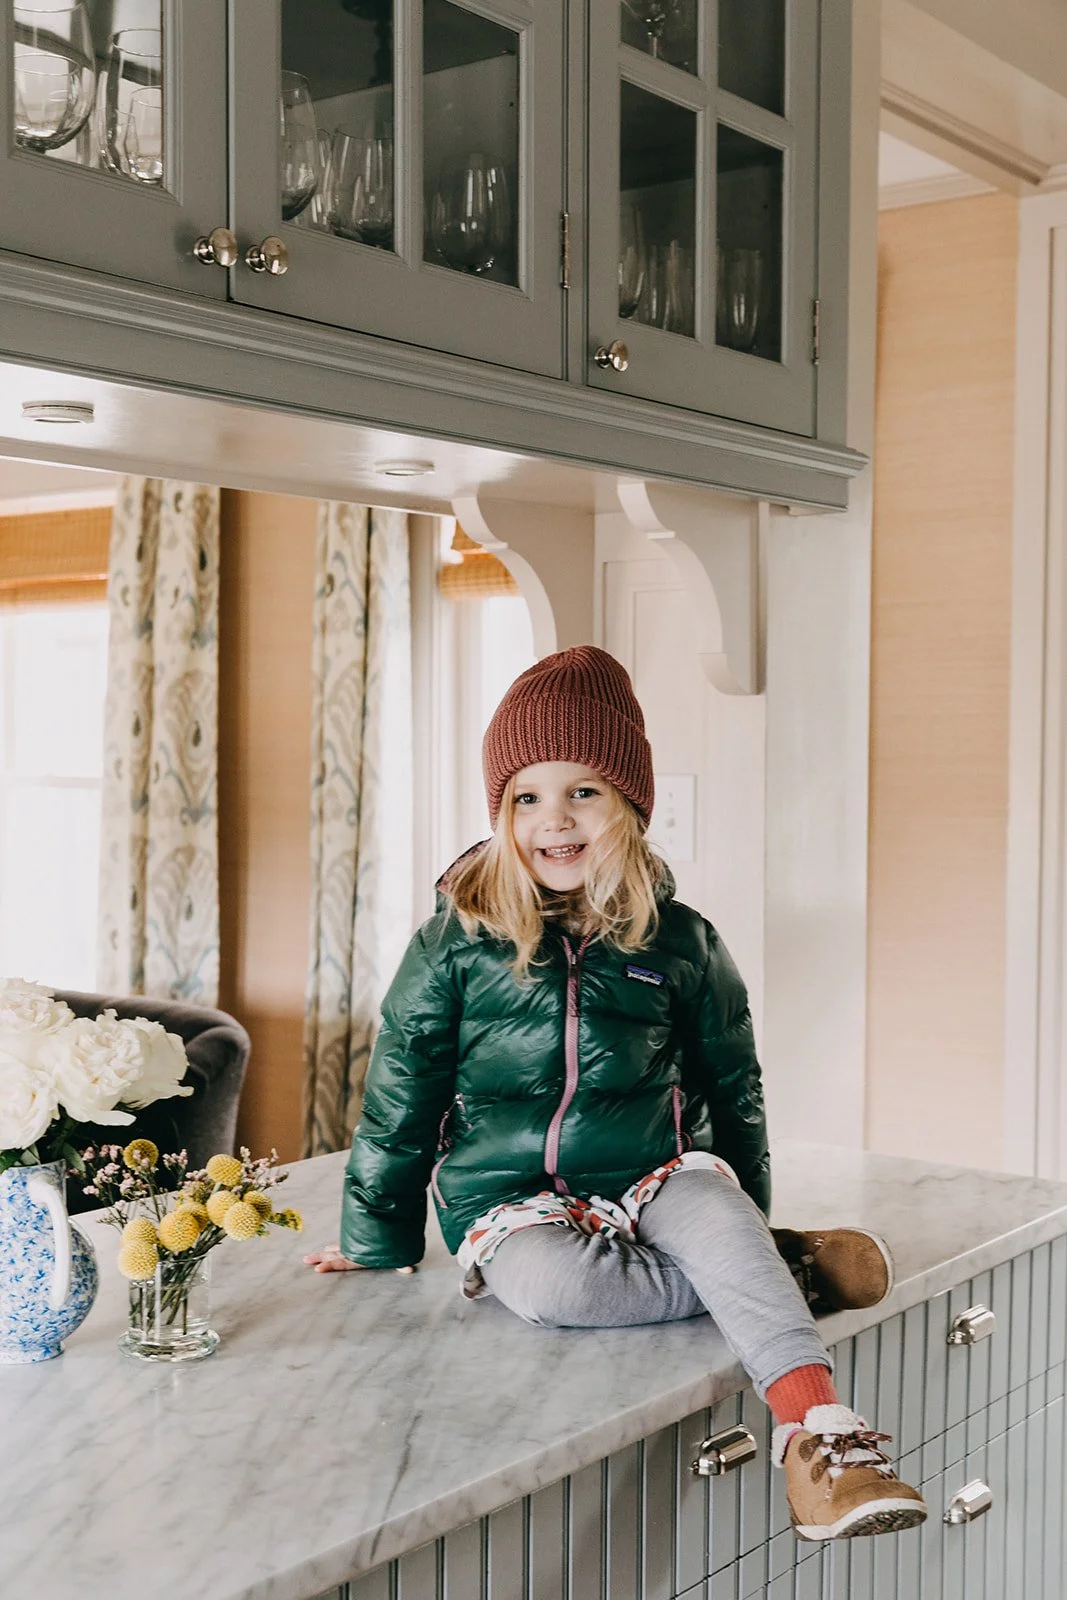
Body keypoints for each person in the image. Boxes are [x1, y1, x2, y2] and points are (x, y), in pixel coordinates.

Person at [305, 646, 926, 1542]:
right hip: (508, 1195)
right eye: (526, 798)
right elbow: (400, 1091)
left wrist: (741, 1214)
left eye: (583, 791)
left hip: (654, 1170)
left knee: (718, 1222)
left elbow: (733, 1084)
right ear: (500, 814)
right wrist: (377, 1238)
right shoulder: (453, 943)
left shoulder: (681, 940)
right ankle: (781, 1270)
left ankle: (822, 1439)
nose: (553, 819)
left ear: (630, 805)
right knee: (561, 1293)